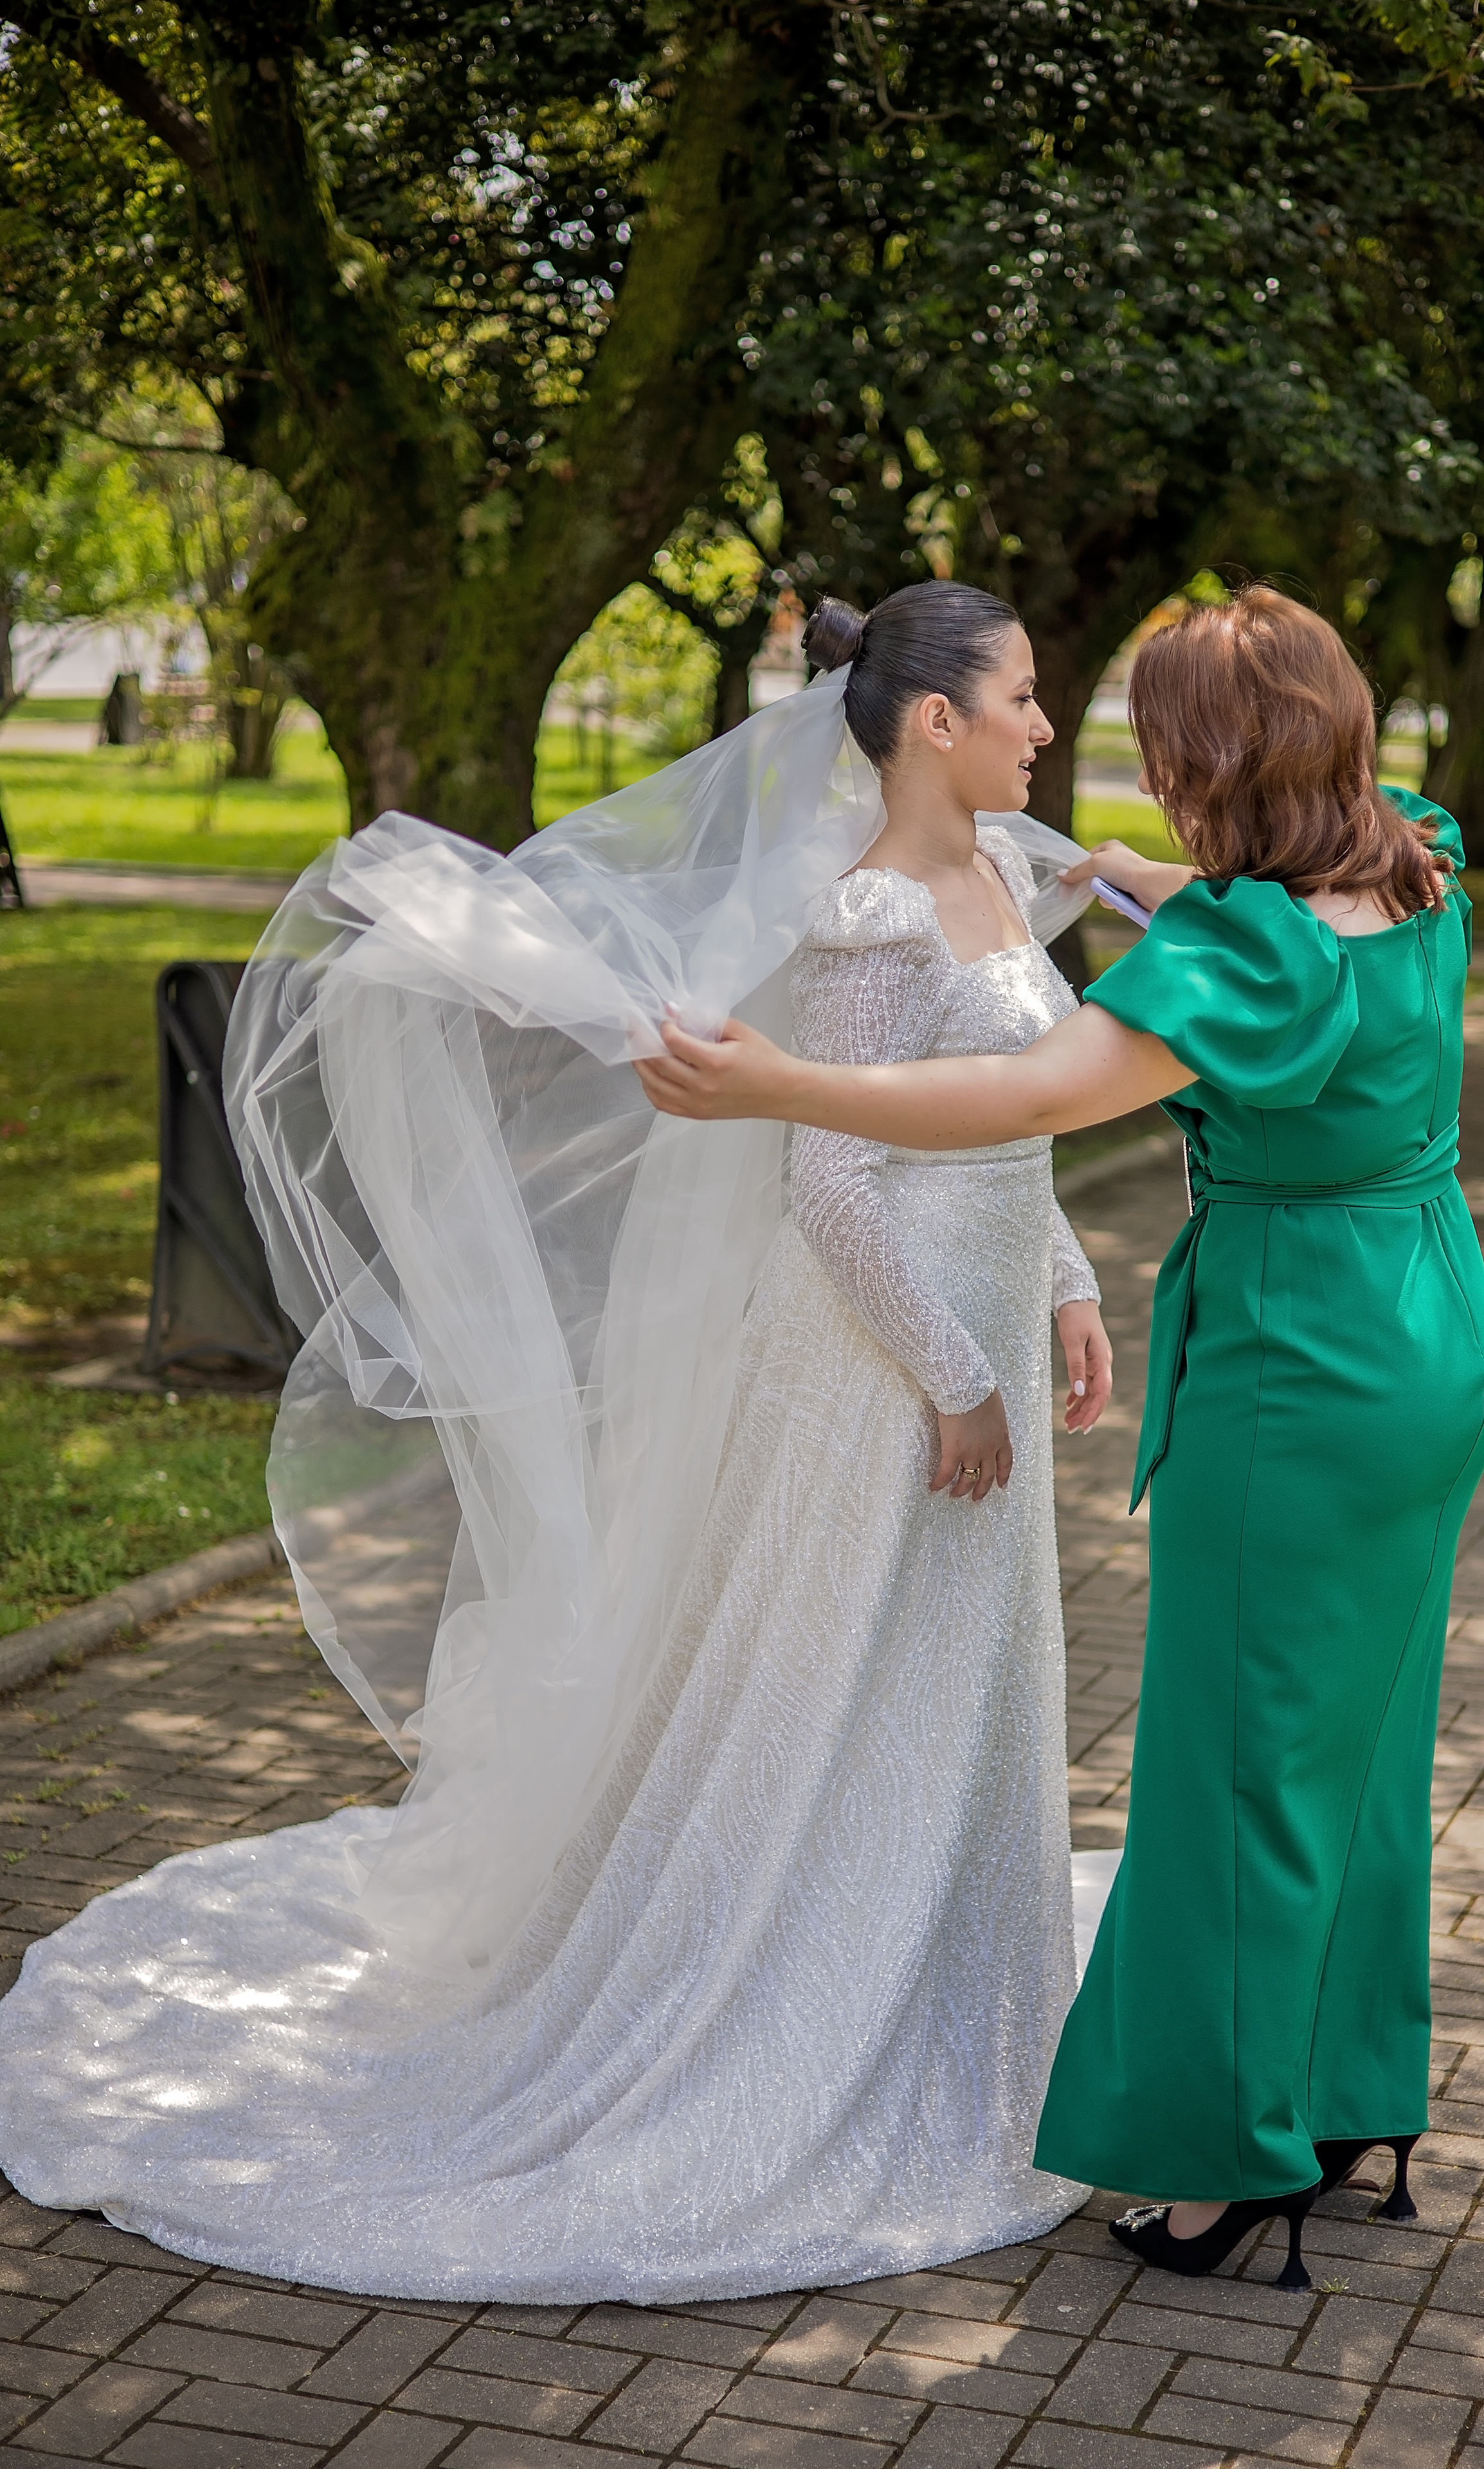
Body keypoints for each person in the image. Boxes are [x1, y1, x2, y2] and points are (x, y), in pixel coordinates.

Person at [0, 581, 1119, 2304]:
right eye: (1026, 699)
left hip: (967, 1340)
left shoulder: (1003, 874)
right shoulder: (880, 914)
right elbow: (835, 1179)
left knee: (958, 1675)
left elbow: (1009, 1126)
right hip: (877, 1367)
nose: (1048, 729)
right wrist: (955, 1375)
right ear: (931, 724)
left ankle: (966, 1989)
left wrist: (1064, 1283)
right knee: (847, 1672)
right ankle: (808, 1999)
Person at [637, 584, 1484, 2294]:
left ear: (1214, 762)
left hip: (1302, 1361)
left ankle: (1216, 2161)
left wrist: (783, 1088)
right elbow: (1265, 919)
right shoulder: (1417, 851)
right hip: (1433, 1329)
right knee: (1364, 1737)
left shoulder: (1247, 959)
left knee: (1235, 1766)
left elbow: (1034, 1100)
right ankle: (1339, 2101)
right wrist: (1126, 877)